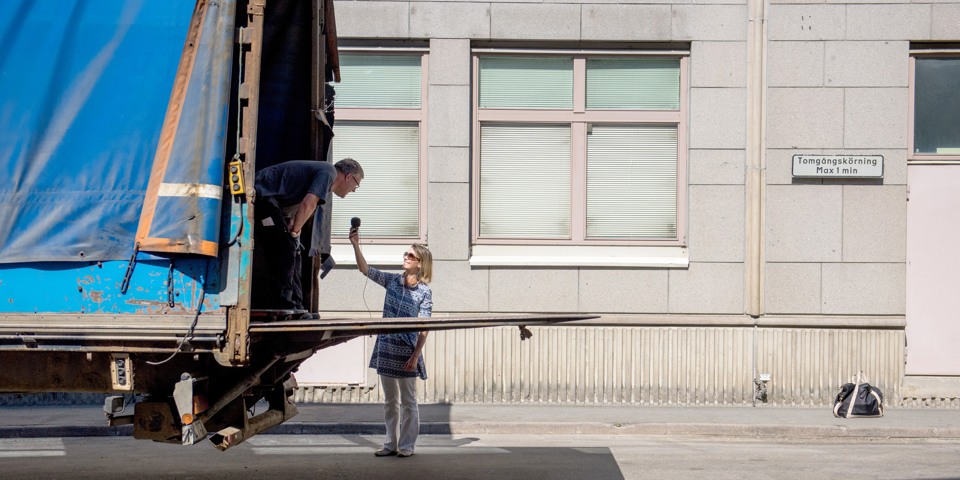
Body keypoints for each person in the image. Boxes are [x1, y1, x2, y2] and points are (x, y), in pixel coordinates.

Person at [349, 228, 432, 458]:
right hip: (386, 347)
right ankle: (390, 444)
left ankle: (406, 446)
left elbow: (424, 327)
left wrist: (416, 355)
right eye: (405, 254)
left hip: (407, 352)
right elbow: (365, 270)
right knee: (390, 401)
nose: (405, 258)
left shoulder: (424, 292)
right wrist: (356, 245)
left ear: (420, 263)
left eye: (411, 256)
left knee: (408, 401)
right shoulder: (392, 281)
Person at [253, 158, 363, 311]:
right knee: (287, 247)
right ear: (348, 176)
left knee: (295, 249)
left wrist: (293, 227)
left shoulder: (324, 176)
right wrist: (294, 232)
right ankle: (284, 303)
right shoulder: (328, 172)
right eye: (356, 184)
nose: (354, 190)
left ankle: (296, 304)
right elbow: (308, 203)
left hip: (272, 201)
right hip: (261, 194)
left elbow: (297, 204)